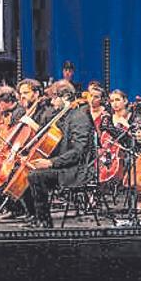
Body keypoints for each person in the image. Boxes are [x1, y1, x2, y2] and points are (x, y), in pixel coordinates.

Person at [21, 80, 93, 228]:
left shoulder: (79, 117)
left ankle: (44, 222)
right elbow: (57, 145)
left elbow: (78, 152)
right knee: (26, 170)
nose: (52, 102)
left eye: (54, 98)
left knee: (35, 175)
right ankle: (34, 216)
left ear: (65, 97)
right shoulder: (64, 116)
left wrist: (51, 163)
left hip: (76, 170)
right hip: (65, 165)